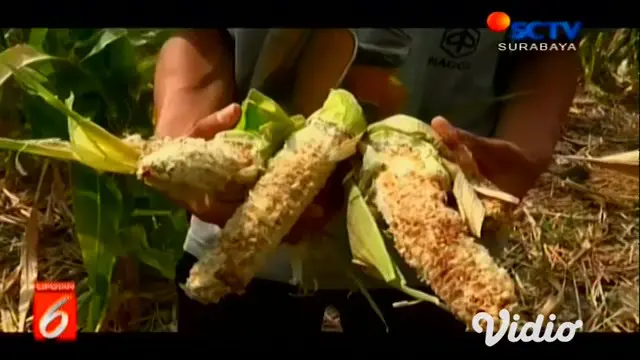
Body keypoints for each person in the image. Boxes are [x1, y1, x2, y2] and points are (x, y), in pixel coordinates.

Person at [153, 28, 580, 334]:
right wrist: (186, 135)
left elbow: (545, 39)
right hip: (242, 234)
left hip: (438, 248)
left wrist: (528, 144)